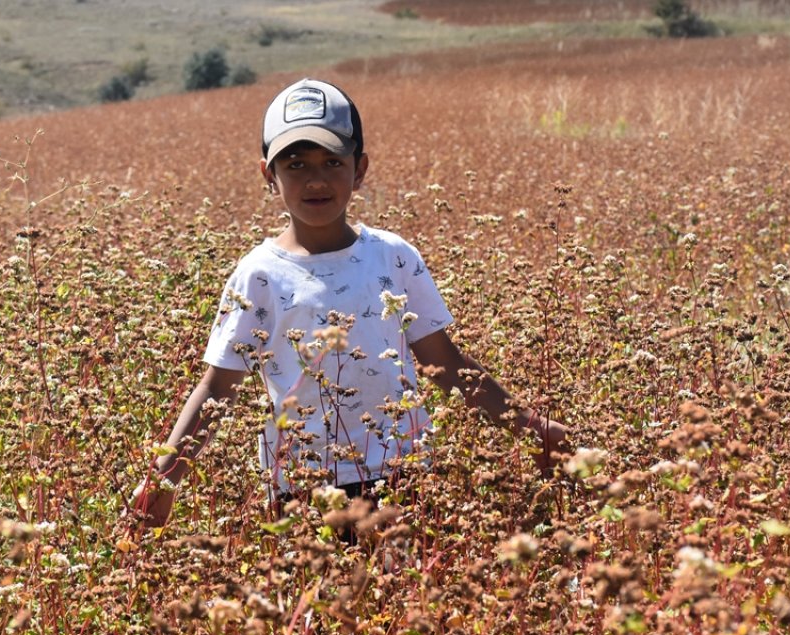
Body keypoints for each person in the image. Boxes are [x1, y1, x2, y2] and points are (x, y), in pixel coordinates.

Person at [130, 78, 567, 529]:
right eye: (295, 164)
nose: (315, 179)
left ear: (359, 170)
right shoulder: (259, 274)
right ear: (268, 176)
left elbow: (445, 363)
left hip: (406, 475)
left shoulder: (393, 257)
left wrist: (533, 427)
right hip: (303, 488)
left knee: (401, 595)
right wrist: (163, 481)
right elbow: (218, 387)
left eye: (332, 161)